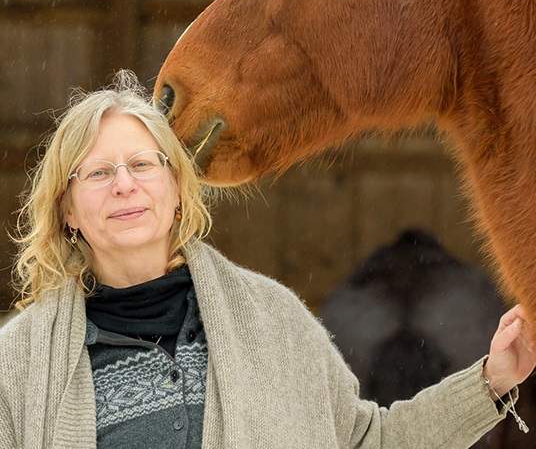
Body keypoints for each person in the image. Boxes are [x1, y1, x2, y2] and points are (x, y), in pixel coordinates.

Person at [0, 71, 534, 449]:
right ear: (66, 210)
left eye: (143, 164)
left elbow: (370, 442)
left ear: (178, 190)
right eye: (97, 173)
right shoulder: (17, 367)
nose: (124, 185)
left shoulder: (273, 320)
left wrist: (492, 380)